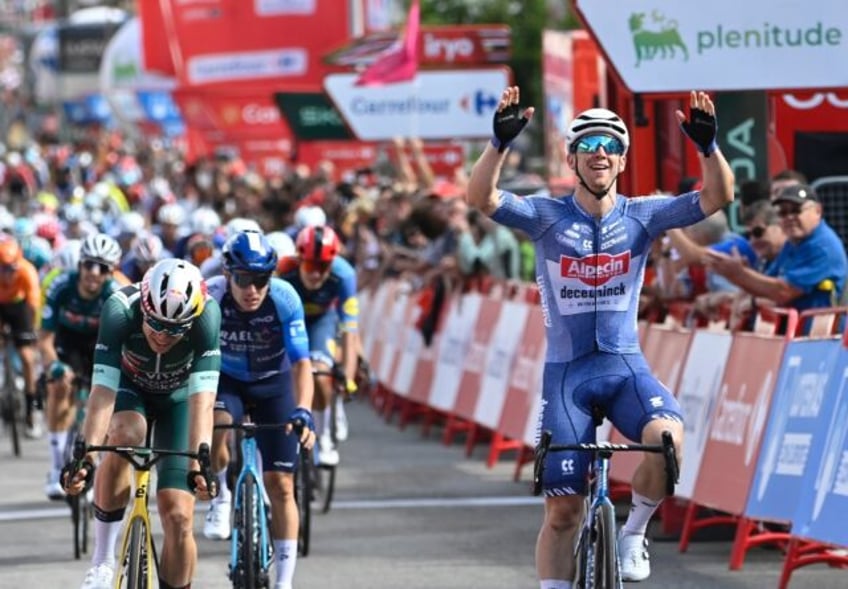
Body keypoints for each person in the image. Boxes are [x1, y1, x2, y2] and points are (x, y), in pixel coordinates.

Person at [466, 86, 734, 586]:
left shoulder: (644, 216)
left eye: (610, 146)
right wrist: (497, 146)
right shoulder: (546, 216)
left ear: (622, 160)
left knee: (669, 438)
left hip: (623, 368)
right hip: (567, 377)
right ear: (572, 158)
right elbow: (480, 198)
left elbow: (718, 197)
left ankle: (634, 532)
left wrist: (708, 148)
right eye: (588, 146)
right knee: (563, 513)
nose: (600, 154)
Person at [62, 258, 221, 589]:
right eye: (155, 323)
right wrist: (86, 458)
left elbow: (202, 402)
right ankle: (103, 561)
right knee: (124, 434)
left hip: (178, 401)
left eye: (176, 328)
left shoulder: (207, 317)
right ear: (145, 306)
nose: (163, 336)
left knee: (178, 515)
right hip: (128, 389)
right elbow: (102, 391)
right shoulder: (119, 310)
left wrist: (201, 461)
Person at [203, 230, 316, 589]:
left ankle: (284, 582)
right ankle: (221, 495)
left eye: (261, 279)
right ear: (227, 274)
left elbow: (301, 364)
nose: (252, 289)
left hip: (274, 383)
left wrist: (304, 410)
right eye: (243, 279)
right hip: (227, 380)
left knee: (282, 485)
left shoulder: (284, 299)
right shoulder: (210, 297)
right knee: (219, 424)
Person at [39, 233, 123, 500]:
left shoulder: (118, 292)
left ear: (111, 272)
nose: (93, 273)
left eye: (102, 268)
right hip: (68, 342)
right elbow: (44, 339)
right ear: (79, 265)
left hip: (101, 344)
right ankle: (55, 467)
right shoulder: (60, 285)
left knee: (108, 401)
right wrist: (53, 366)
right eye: (88, 264)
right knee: (59, 386)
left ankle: (92, 466)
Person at [278, 225, 359, 466]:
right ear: (299, 259)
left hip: (323, 321)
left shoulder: (344, 275)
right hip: (291, 320)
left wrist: (349, 377)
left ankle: (324, 438)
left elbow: (350, 331)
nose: (316, 274)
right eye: (311, 266)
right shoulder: (283, 271)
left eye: (323, 267)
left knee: (322, 377)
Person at [706, 183, 848, 313]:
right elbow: (766, 284)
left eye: (796, 210)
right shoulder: (793, 243)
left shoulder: (822, 246)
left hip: (820, 337)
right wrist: (740, 278)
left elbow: (783, 292)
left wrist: (740, 274)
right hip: (800, 334)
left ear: (818, 211)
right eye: (783, 213)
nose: (789, 217)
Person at [0, 233, 42, 438]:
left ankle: (30, 409)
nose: (7, 274)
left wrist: (31, 332)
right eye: (3, 269)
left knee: (27, 357)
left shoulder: (26, 271)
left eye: (11, 269)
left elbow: (33, 306)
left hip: (19, 308)